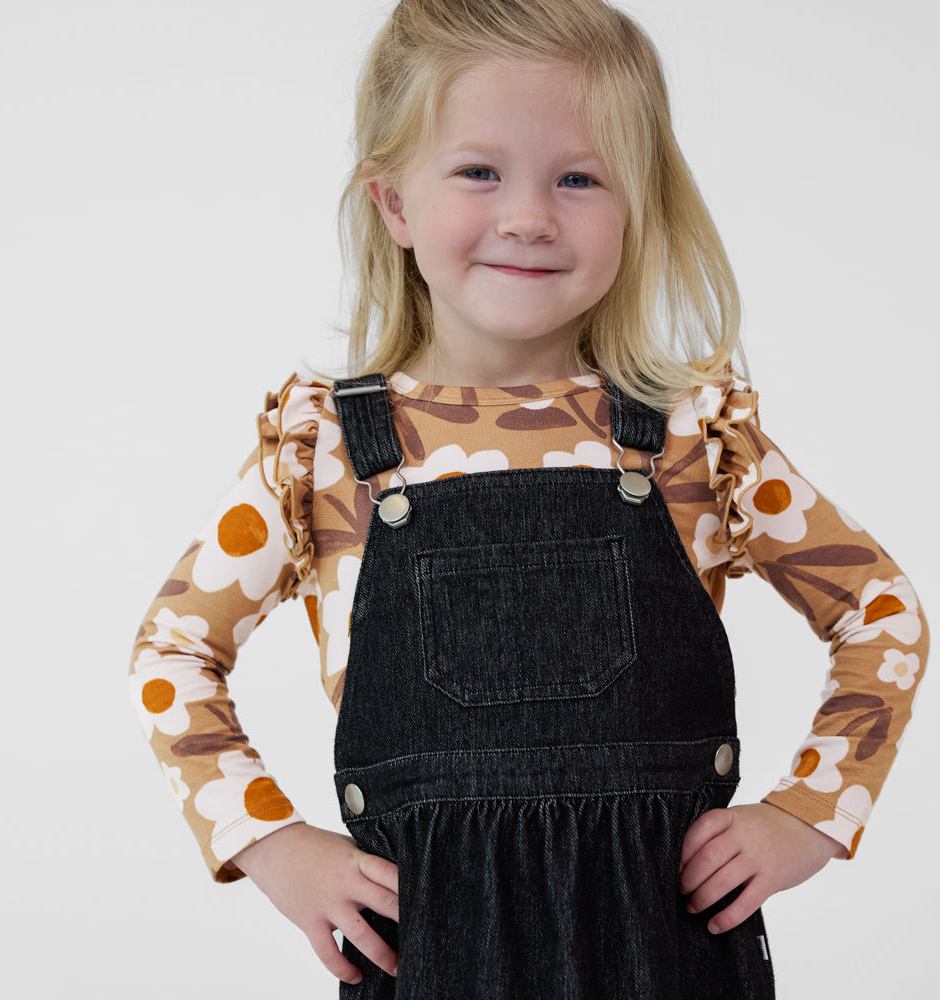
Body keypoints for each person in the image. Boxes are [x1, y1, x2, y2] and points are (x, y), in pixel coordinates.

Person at [129, 1, 928, 996]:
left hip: (666, 950)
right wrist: (268, 841)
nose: (528, 215)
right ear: (394, 205)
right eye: (478, 171)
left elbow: (879, 609)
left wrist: (812, 808)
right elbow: (173, 649)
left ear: (636, 205)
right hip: (427, 950)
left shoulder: (693, 437)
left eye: (579, 178)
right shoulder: (324, 450)